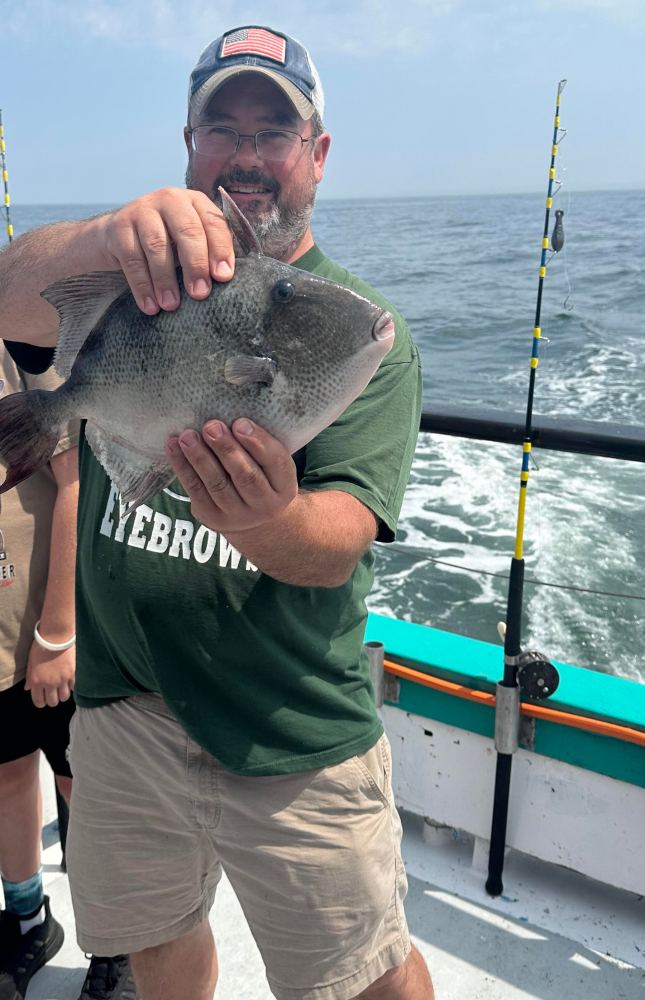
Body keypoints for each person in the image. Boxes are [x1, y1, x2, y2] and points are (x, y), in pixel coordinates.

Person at [0, 24, 434, 1000]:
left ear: (315, 155)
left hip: (290, 721)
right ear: (188, 145)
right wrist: (108, 238)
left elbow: (335, 549)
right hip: (125, 705)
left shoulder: (373, 335)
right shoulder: (133, 284)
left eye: (272, 131)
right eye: (221, 127)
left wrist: (266, 516)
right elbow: (4, 294)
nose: (245, 152)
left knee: (363, 973)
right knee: (156, 940)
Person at [0, 348, 138, 1000]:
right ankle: (28, 919)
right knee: (6, 776)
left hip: (40, 639)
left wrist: (57, 635)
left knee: (82, 783)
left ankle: (115, 945)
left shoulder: (20, 341)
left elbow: (77, 479)